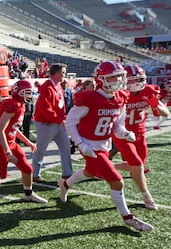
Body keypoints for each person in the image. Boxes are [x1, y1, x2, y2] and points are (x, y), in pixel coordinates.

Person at [58, 60, 153, 232]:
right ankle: (128, 217)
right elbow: (70, 123)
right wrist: (80, 143)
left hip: (104, 143)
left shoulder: (120, 97)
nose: (119, 81)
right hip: (88, 144)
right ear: (101, 79)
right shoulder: (89, 97)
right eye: (114, 77)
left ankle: (65, 184)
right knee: (117, 181)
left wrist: (124, 133)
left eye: (120, 76)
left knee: (90, 172)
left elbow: (117, 125)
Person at [110, 64, 168, 209]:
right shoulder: (119, 93)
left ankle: (108, 166)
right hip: (122, 134)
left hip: (140, 134)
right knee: (137, 164)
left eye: (139, 79)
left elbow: (165, 113)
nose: (135, 83)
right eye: (131, 80)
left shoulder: (148, 90)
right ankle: (147, 196)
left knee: (137, 167)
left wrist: (154, 106)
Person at [0, 79, 48, 203]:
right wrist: (8, 152)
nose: (30, 95)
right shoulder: (13, 105)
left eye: (30, 92)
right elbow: (0, 131)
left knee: (27, 169)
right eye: (26, 92)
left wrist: (27, 142)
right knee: (0, 175)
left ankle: (28, 193)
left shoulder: (20, 105)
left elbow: (13, 128)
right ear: (18, 92)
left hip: (11, 143)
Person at [30, 64, 73, 183]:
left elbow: (60, 106)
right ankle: (35, 173)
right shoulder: (47, 87)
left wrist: (63, 117)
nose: (64, 75)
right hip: (46, 124)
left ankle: (68, 173)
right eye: (63, 72)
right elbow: (46, 109)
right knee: (41, 150)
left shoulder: (57, 86)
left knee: (66, 147)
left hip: (56, 122)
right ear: (56, 73)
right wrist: (60, 120)